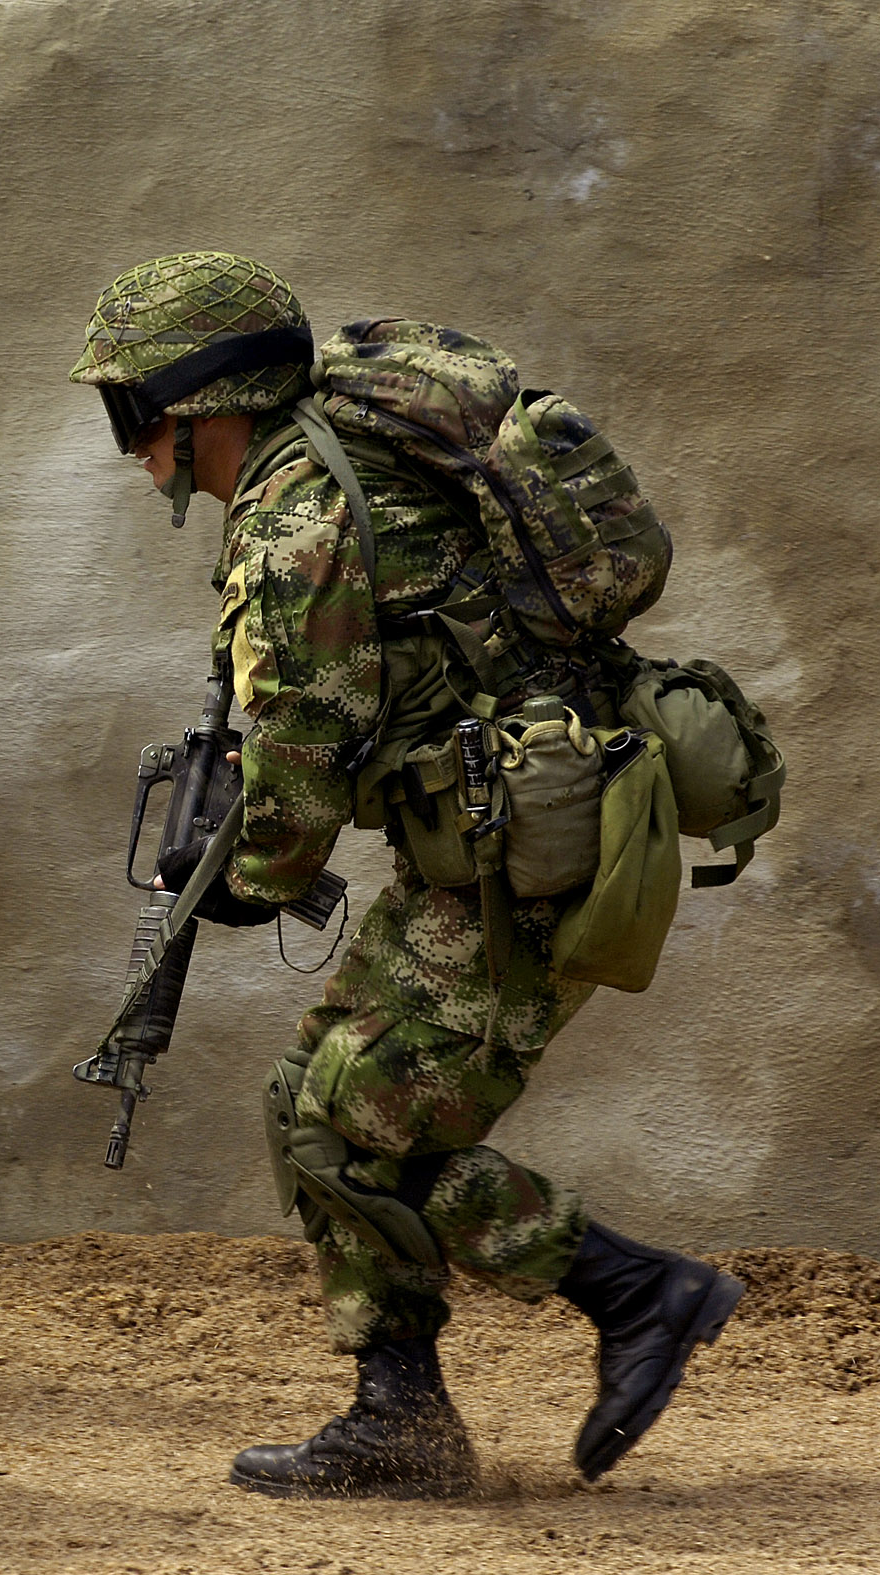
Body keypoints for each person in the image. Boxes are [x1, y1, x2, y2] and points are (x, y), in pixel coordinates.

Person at [69, 252, 744, 1497]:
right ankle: (401, 1419)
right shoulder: (333, 454)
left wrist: (235, 882)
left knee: (356, 1124)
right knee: (308, 1103)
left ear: (198, 404)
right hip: (500, 832)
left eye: (133, 412)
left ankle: (638, 1291)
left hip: (529, 847)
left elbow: (302, 774)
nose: (132, 449)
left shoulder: (294, 526)